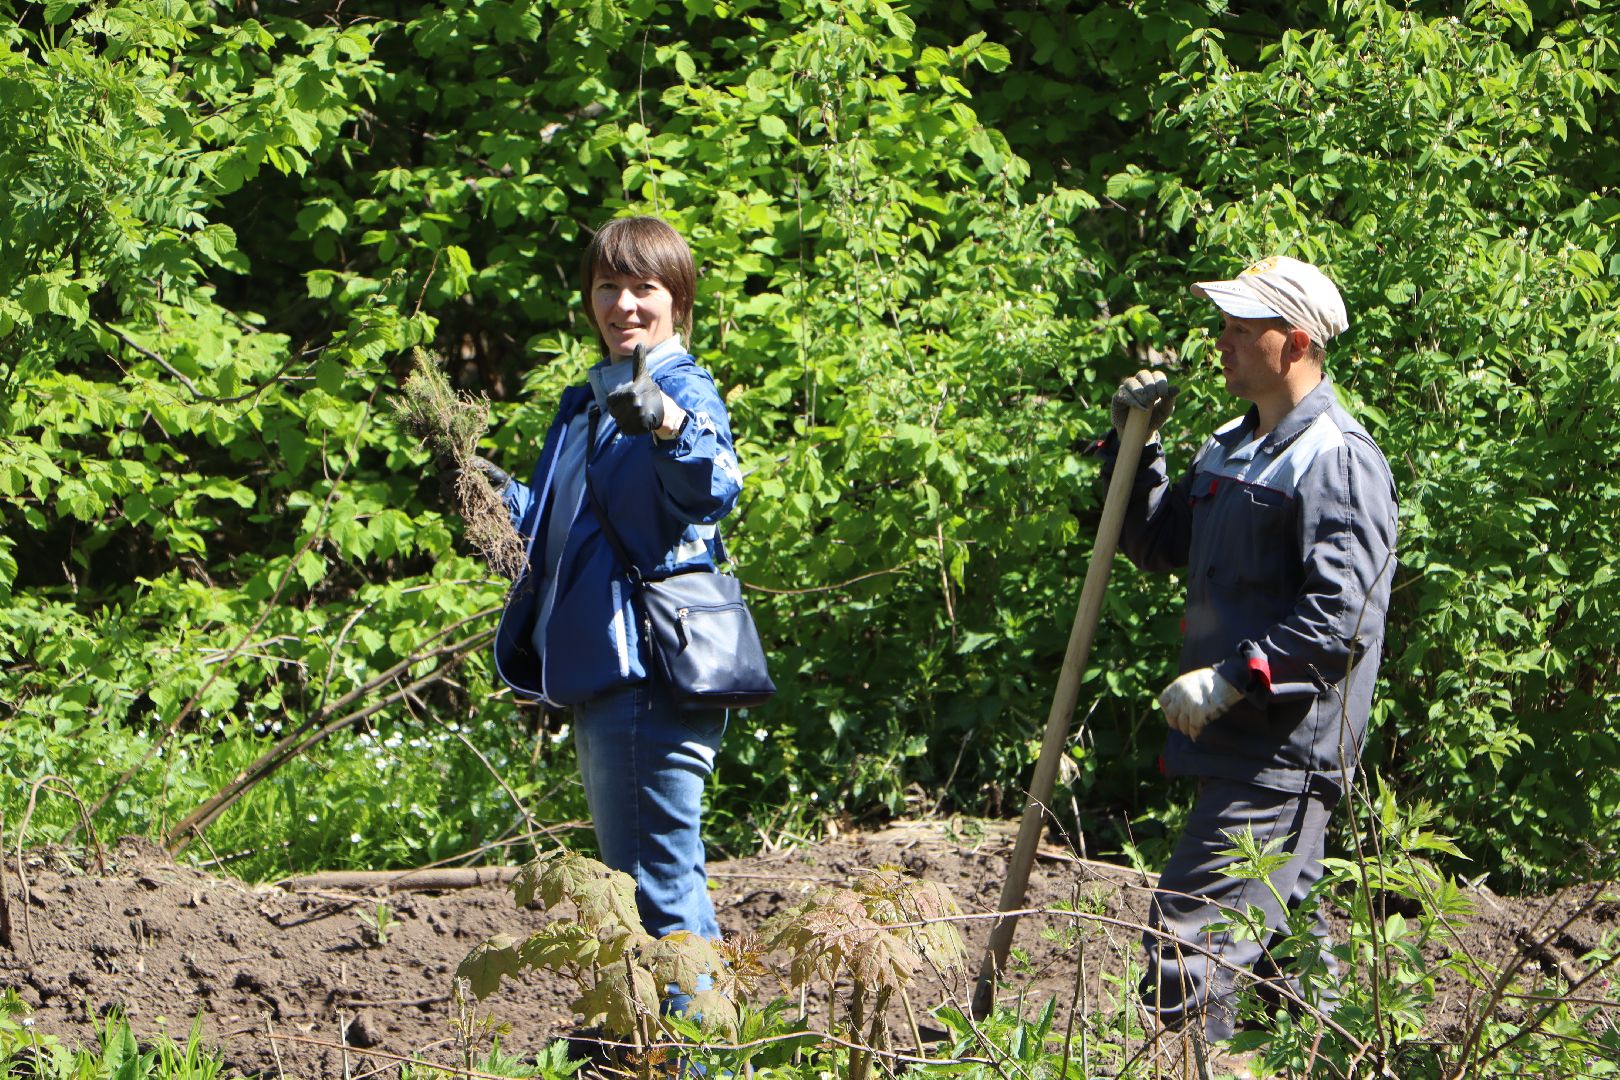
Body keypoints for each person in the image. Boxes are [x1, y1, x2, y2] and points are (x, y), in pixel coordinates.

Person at [1096, 255, 1398, 1043]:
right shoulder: (1231, 445)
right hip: (1241, 747)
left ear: (1295, 342)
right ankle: (1346, 1057)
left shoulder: (1335, 457)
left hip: (1282, 750)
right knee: (1285, 972)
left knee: (1185, 944)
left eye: (1240, 328)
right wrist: (1139, 449)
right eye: (1223, 326)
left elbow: (1342, 619)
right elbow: (1158, 544)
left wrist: (1233, 680)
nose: (1221, 343)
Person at [480, 216, 744, 949]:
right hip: (604, 672)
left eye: (643, 288)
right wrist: (499, 497)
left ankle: (694, 1061)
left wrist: (666, 422)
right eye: (607, 287)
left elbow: (715, 483)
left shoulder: (681, 387)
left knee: (655, 895)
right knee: (655, 883)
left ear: (677, 301)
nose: (623, 304)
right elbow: (569, 532)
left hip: (650, 673)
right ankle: (682, 1053)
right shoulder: (585, 405)